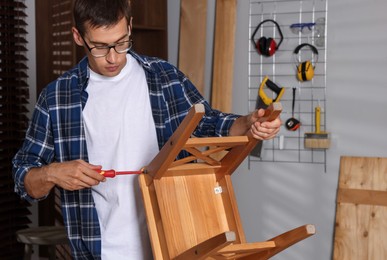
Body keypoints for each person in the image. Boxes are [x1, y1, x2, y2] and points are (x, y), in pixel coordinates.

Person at [12, 0, 281, 259]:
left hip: (174, 244)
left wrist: (248, 124)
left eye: (121, 43)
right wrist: (52, 173)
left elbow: (210, 125)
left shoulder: (164, 76)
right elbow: (24, 178)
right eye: (100, 47)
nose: (113, 57)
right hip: (100, 251)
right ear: (78, 37)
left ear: (129, 26)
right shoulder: (57, 97)